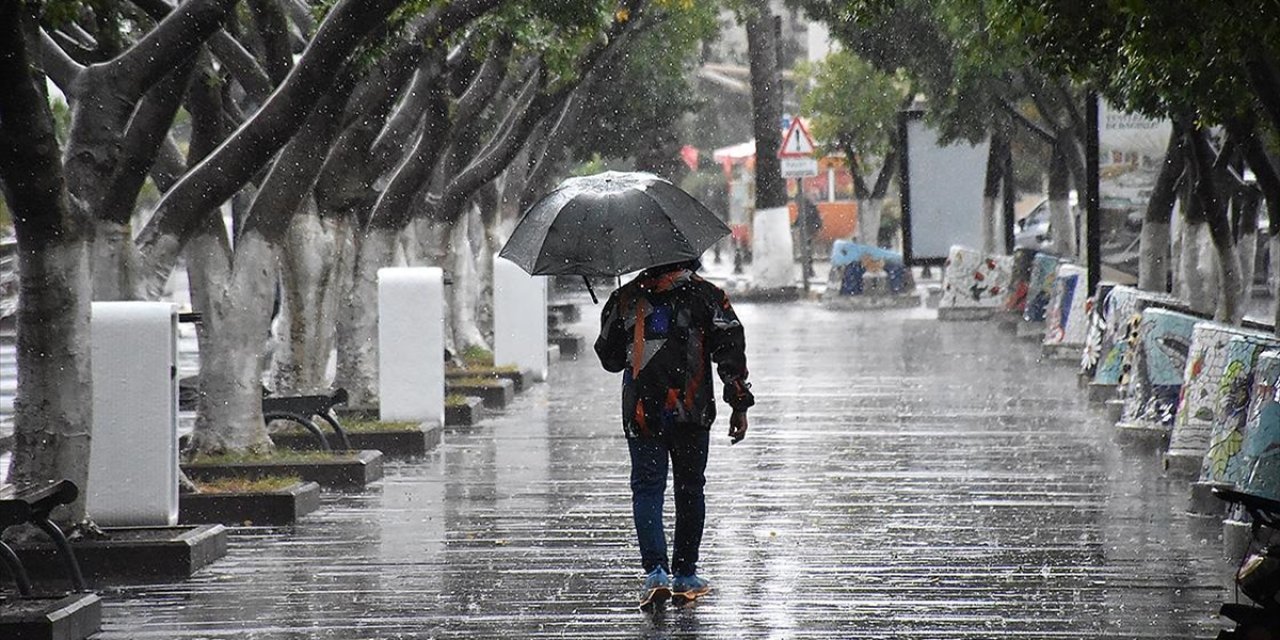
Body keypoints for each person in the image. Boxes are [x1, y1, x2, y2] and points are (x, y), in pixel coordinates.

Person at [594, 259, 754, 611]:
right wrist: (738, 403)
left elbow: (608, 358)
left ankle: (655, 572)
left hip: (642, 412)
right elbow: (730, 350)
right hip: (691, 410)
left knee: (648, 488)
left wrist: (621, 314)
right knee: (690, 488)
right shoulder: (708, 296)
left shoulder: (628, 297)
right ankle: (684, 574)